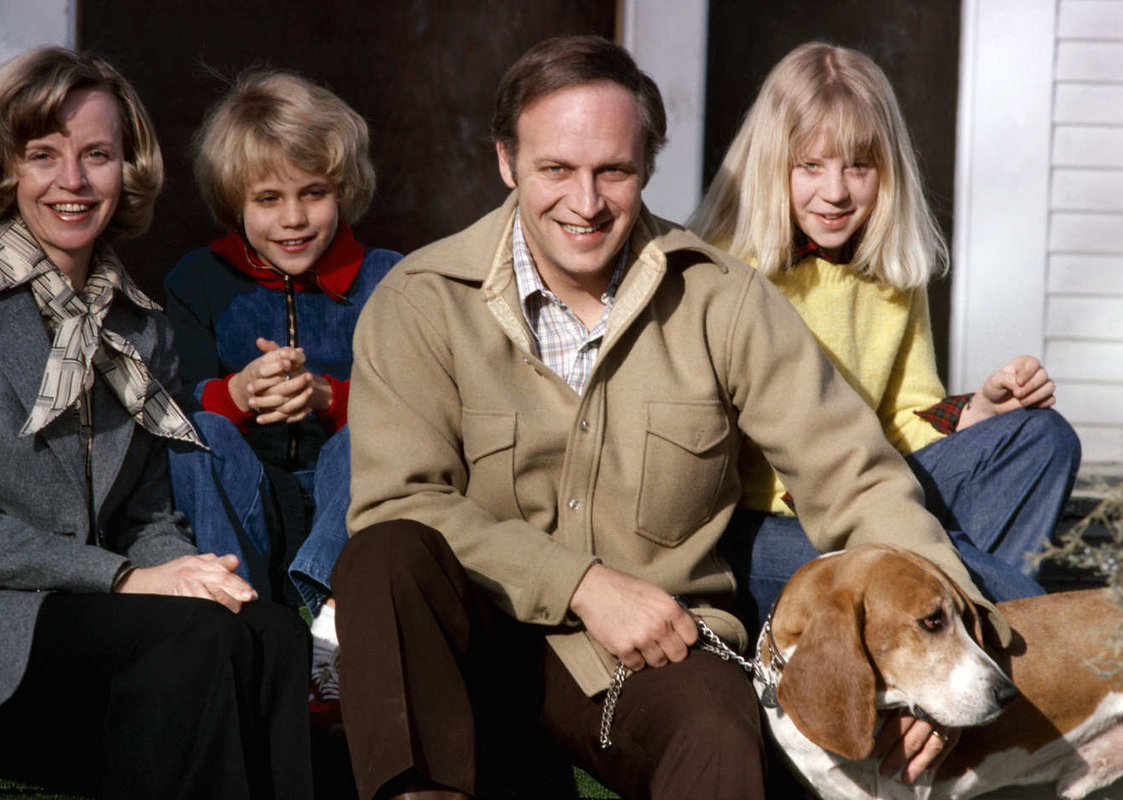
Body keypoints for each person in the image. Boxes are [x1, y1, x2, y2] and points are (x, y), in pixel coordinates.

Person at [332, 35, 1012, 800]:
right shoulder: (421, 300)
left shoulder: (723, 300)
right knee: (386, 555)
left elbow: (854, 478)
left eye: (612, 172)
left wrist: (955, 649)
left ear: (646, 166)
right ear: (505, 161)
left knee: (718, 739)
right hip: (469, 640)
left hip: (655, 654)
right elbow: (398, 499)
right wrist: (581, 583)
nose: (584, 204)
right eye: (555, 169)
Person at [0, 47, 311, 799]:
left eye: (96, 155)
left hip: (92, 624)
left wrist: (193, 574)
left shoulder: (141, 327)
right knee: (194, 642)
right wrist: (131, 578)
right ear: (3, 170)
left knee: (268, 633)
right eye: (43, 156)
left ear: (125, 170)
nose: (73, 181)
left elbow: (145, 514)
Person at [687, 42, 1080, 618]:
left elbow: (899, 421)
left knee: (1043, 436)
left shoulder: (890, 273)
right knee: (923, 558)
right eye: (810, 166)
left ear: (887, 170)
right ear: (773, 165)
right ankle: (1043, 640)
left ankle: (952, 657)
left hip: (875, 492)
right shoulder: (725, 272)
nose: (837, 191)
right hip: (764, 528)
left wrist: (979, 415)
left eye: (858, 166)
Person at [163, 70, 400, 712]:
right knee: (202, 433)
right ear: (234, 201)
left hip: (343, 511)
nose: (293, 219)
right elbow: (167, 410)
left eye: (313, 193)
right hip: (248, 510)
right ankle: (235, 625)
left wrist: (330, 399)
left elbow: (422, 410)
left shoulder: (389, 281)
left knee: (368, 435)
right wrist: (237, 395)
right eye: (268, 199)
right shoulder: (198, 281)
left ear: (343, 190)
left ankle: (331, 622)